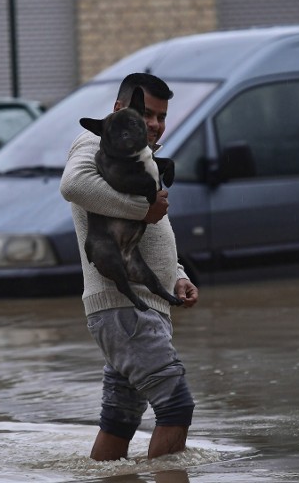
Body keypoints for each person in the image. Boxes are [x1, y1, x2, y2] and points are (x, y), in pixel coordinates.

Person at [60, 72, 199, 461]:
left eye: (161, 117)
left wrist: (179, 276)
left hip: (136, 307)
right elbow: (73, 186)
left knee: (119, 422)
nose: (155, 124)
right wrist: (144, 208)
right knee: (176, 408)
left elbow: (148, 235)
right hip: (125, 308)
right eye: (148, 114)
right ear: (121, 109)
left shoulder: (137, 156)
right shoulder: (95, 141)